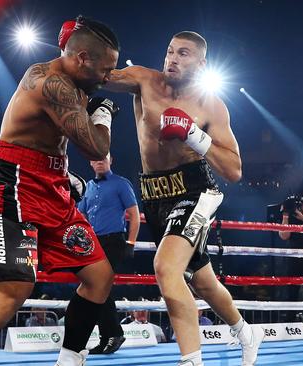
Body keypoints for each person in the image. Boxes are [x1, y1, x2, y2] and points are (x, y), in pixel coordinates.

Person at [0, 15, 120, 366]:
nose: (108, 78)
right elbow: (97, 149)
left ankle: (69, 361)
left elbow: (117, 79)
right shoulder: (52, 84)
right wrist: (105, 114)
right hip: (15, 180)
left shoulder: (79, 78)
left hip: (53, 185)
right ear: (82, 58)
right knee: (12, 290)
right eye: (105, 70)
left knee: (99, 277)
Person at [105, 31, 264, 365]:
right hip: (154, 195)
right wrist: (74, 51)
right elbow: (96, 75)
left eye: (184, 54)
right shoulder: (144, 80)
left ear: (202, 63)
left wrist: (194, 134)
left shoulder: (211, 106)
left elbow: (234, 170)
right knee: (203, 281)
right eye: (170, 51)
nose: (173, 59)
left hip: (196, 191)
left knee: (165, 268)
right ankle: (246, 332)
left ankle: (191, 360)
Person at [78, 154, 140, 354]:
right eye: (95, 159)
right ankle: (108, 336)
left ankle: (113, 334)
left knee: (99, 286)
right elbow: (81, 214)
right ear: (90, 162)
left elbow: (135, 215)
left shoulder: (121, 184)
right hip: (94, 242)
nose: (99, 162)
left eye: (103, 159)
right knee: (97, 287)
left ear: (111, 161)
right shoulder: (88, 186)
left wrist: (130, 243)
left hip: (113, 241)